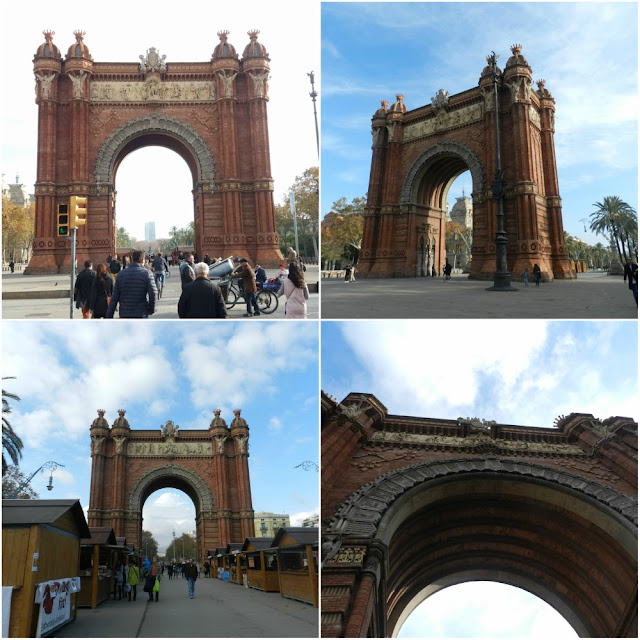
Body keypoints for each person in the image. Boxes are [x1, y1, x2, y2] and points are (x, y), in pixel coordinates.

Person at [106, 249, 157, 318]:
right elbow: (153, 293)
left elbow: (114, 297)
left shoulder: (121, 274)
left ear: (132, 259)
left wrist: (109, 316)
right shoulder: (147, 273)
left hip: (125, 314)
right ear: (142, 260)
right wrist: (151, 309)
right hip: (141, 313)